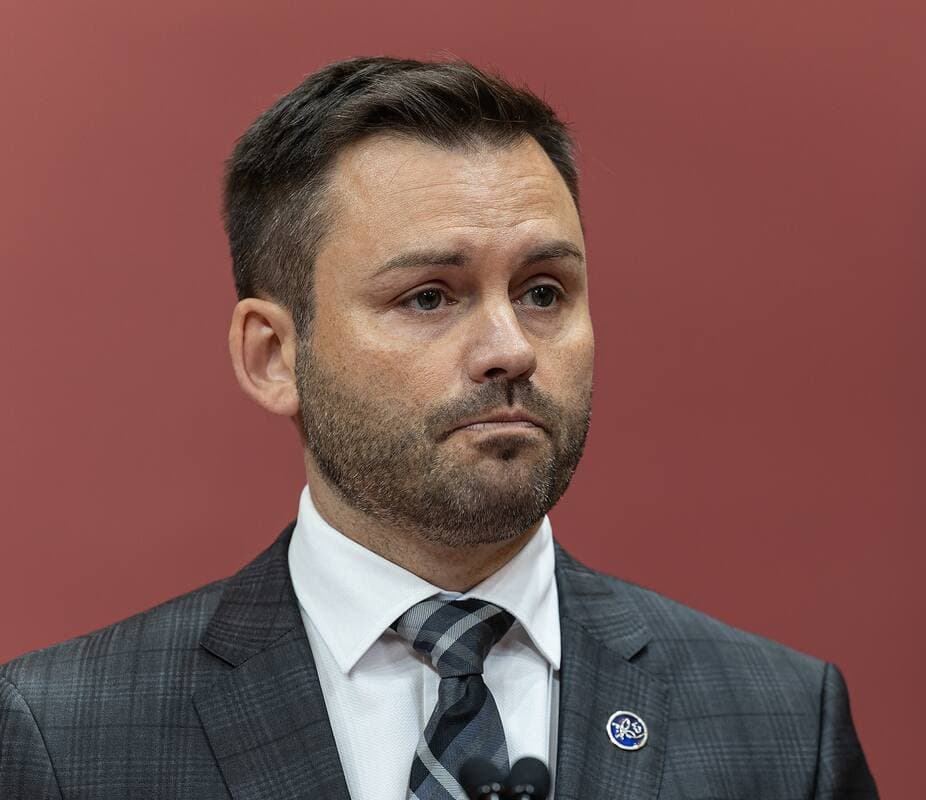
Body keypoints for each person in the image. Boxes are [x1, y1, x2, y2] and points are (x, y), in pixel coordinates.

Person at [0, 57, 877, 799]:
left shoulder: (781, 727)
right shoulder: (67, 737)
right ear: (273, 356)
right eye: (429, 297)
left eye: (543, 292)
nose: (510, 349)